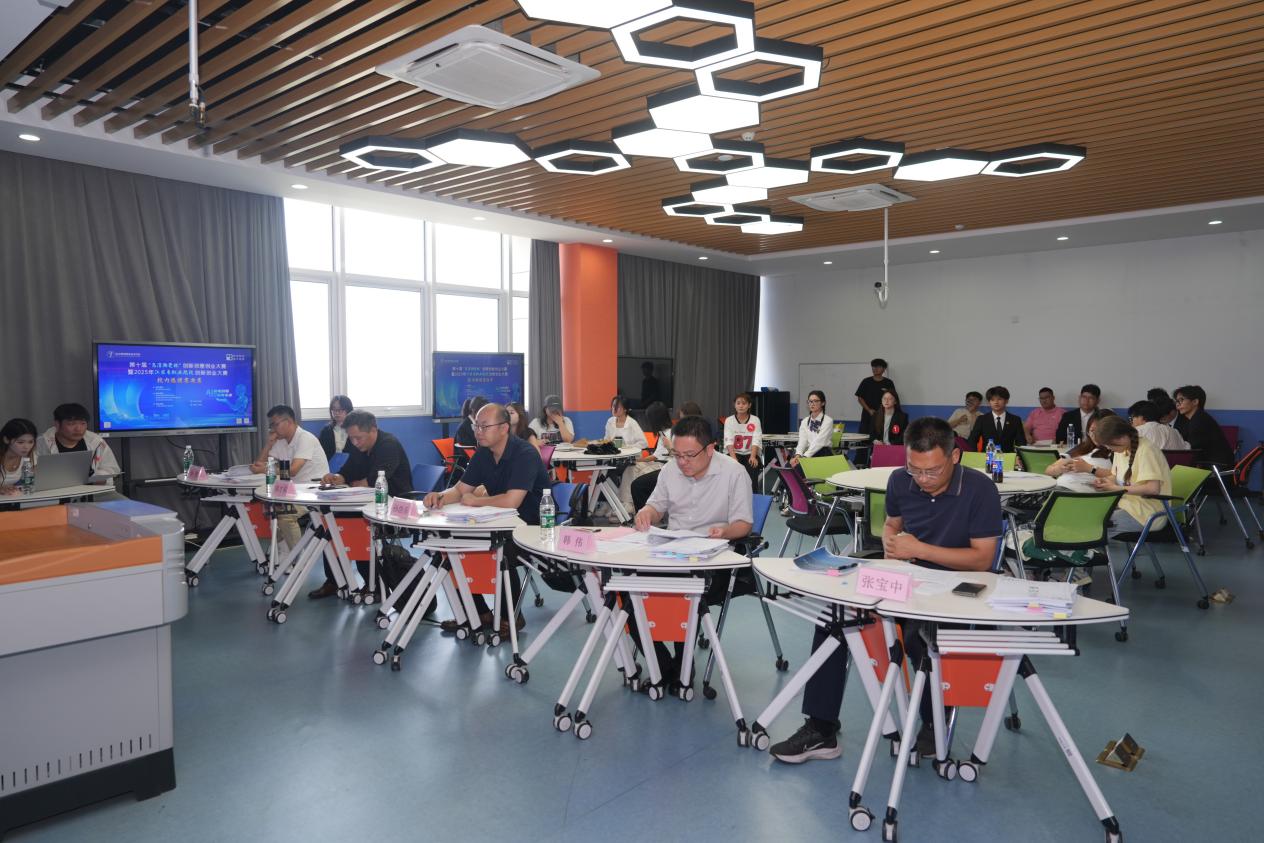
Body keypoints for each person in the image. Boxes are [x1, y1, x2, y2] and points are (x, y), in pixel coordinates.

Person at [770, 417, 1001, 763]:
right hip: (907, 578)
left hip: (957, 589)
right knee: (834, 619)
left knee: (920, 636)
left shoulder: (980, 489)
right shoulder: (899, 480)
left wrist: (919, 550)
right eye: (915, 469)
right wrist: (892, 542)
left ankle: (933, 722)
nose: (922, 479)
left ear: (954, 457)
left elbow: (982, 558)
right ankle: (821, 728)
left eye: (932, 471)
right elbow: (892, 524)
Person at [633, 415, 753, 680]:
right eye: (677, 455)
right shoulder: (670, 470)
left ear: (710, 449)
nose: (682, 462)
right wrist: (646, 513)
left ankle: (682, 666)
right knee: (626, 589)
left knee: (684, 589)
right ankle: (663, 665)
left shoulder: (734, 473)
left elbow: (743, 524)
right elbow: (656, 506)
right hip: (672, 552)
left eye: (689, 455)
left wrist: (724, 531)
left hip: (713, 559)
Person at [423, 403, 549, 635]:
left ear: (504, 428)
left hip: (533, 527)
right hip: (497, 522)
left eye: (484, 426)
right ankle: (478, 613)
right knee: (450, 546)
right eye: (476, 426)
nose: (478, 432)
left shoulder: (525, 454)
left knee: (500, 549)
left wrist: (476, 501)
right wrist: (440, 497)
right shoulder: (483, 453)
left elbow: (512, 501)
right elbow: (460, 490)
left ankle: (511, 616)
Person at [312, 411, 412, 599]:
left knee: (356, 524)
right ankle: (335, 580)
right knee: (332, 522)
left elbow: (375, 480)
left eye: (358, 438)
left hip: (393, 504)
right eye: (351, 438)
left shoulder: (388, 444)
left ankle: (373, 584)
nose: (355, 442)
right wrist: (337, 477)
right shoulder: (359, 444)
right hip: (367, 502)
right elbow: (350, 470)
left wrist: (360, 482)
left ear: (373, 430)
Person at [250, 404, 330, 555]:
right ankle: (284, 554)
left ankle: (297, 558)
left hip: (314, 491)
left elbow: (293, 470)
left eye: (275, 424)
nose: (272, 429)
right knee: (272, 509)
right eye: (271, 425)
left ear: (289, 422)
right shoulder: (281, 441)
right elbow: (259, 464)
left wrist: (265, 469)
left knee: (284, 514)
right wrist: (269, 444)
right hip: (294, 490)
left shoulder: (305, 438)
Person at [1090, 414, 1173, 533]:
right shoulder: (1121, 450)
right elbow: (1116, 477)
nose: (1108, 448)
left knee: (1093, 525)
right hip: (1127, 505)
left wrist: (1116, 488)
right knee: (1086, 514)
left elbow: (1153, 489)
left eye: (1109, 444)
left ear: (1121, 438)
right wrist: (1105, 482)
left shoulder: (1146, 450)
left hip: (1147, 514)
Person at [36, 402, 121, 483]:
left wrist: (99, 478)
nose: (78, 429)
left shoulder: (96, 441)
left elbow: (112, 469)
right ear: (57, 424)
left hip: (93, 490)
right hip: (55, 490)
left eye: (83, 423)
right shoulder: (42, 443)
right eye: (71, 424)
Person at [1045, 410, 1114, 491]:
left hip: (1077, 492)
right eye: (1092, 430)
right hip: (1058, 487)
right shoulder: (1083, 447)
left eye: (1099, 431)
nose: (1094, 435)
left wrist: (1090, 468)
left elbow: (1120, 477)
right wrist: (1060, 469)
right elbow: (1048, 470)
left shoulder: (1115, 450)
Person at [1172, 385, 1234, 468]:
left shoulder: (1200, 421)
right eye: (1177, 401)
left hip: (1216, 467)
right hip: (1211, 464)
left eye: (1181, 400)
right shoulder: (1197, 418)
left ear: (1195, 402)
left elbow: (1192, 452)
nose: (1177, 404)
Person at [630, 401, 673, 512]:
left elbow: (656, 457)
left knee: (634, 473)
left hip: (663, 466)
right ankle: (628, 504)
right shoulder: (665, 432)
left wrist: (638, 460)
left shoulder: (667, 434)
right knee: (632, 468)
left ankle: (633, 507)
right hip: (660, 463)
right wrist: (638, 460)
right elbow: (657, 455)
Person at [966, 386, 1027, 452]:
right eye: (992, 400)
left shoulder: (1015, 420)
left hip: (1008, 456)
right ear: (989, 402)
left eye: (999, 399)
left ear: (1006, 401)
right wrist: (975, 455)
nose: (996, 402)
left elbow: (1021, 442)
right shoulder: (982, 419)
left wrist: (1018, 456)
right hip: (987, 456)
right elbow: (972, 440)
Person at [723, 392, 763, 488]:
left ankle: (753, 494)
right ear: (735, 405)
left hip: (750, 453)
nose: (741, 406)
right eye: (738, 403)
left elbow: (756, 439)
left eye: (744, 403)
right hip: (734, 453)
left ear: (749, 405)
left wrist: (753, 456)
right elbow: (728, 441)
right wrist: (733, 458)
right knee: (731, 468)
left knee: (752, 466)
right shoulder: (729, 420)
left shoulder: (755, 420)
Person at [790, 390, 832, 467]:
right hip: (808, 453)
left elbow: (819, 442)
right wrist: (798, 455)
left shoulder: (828, 421)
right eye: (810, 401)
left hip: (822, 453)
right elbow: (802, 441)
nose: (812, 404)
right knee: (789, 466)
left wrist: (805, 457)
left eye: (816, 401)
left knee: (799, 467)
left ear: (823, 403)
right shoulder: (805, 421)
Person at [854, 358, 895, 434]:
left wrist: (883, 411)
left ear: (884, 369)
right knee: (864, 436)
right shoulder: (866, 381)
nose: (875, 369)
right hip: (867, 415)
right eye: (873, 366)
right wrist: (869, 410)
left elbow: (892, 399)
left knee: (881, 436)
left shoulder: (888, 383)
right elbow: (860, 398)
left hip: (883, 415)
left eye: (878, 367)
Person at [1, 418, 38, 494]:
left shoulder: (29, 456)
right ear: (6, 440)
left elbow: (30, 482)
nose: (26, 447)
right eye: (20, 442)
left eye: (30, 442)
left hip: (10, 498)